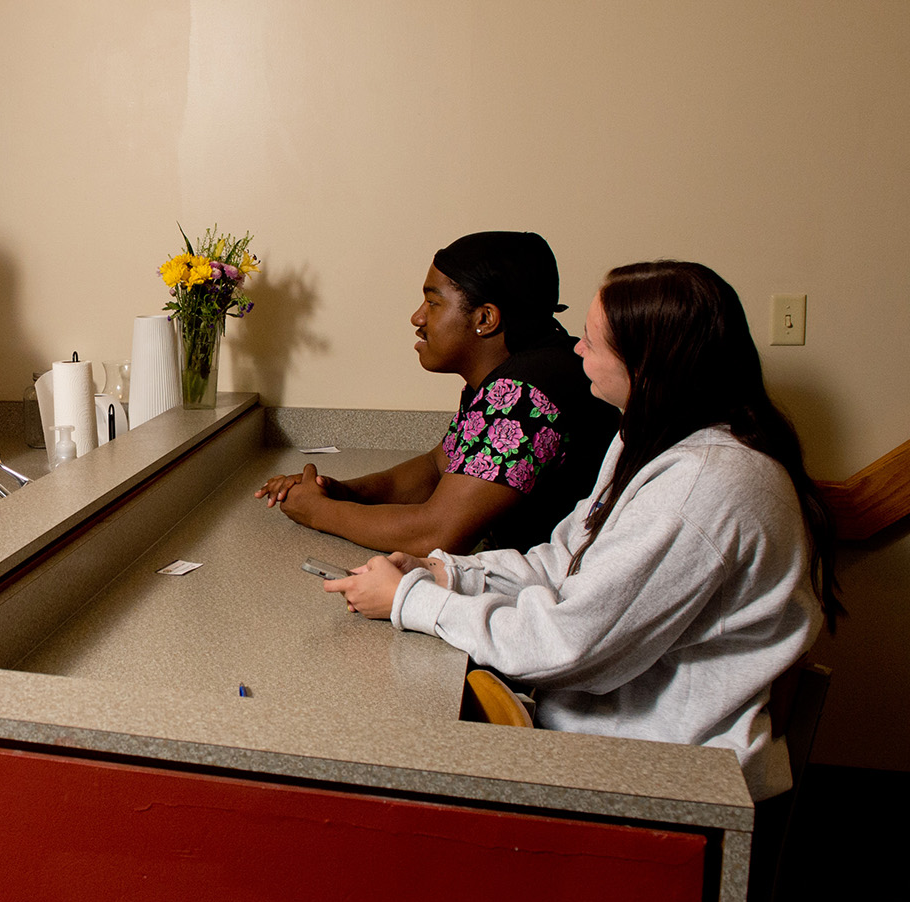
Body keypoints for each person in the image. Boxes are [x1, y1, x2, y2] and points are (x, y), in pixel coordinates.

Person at [329, 261, 840, 797]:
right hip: (609, 730)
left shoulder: (704, 488)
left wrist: (410, 601)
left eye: (592, 343)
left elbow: (570, 647)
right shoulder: (648, 437)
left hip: (668, 773)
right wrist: (446, 572)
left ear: (646, 364)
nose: (575, 352)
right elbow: (563, 559)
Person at [256, 231, 617, 555]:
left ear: (484, 318)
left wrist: (320, 511)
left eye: (433, 302)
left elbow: (437, 534)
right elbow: (435, 469)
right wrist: (341, 492)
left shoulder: (524, 392)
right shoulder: (518, 372)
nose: (418, 318)